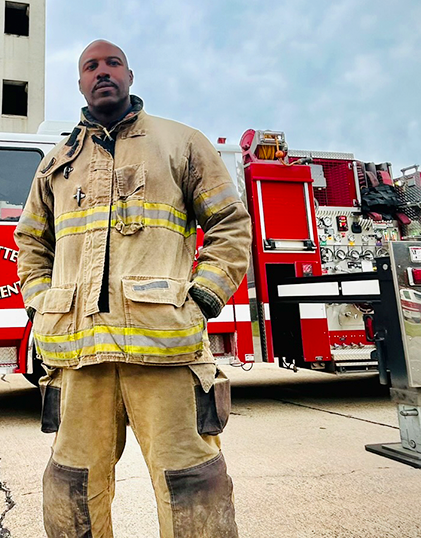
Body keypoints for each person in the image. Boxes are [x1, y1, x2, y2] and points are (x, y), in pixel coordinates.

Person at [15, 39, 251, 537]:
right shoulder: (57, 162)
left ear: (130, 75)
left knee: (193, 486)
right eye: (91, 66)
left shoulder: (180, 143)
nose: (103, 72)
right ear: (79, 82)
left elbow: (231, 224)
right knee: (72, 490)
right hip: (78, 360)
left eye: (113, 63)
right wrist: (41, 304)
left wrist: (203, 298)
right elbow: (31, 242)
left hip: (164, 349)